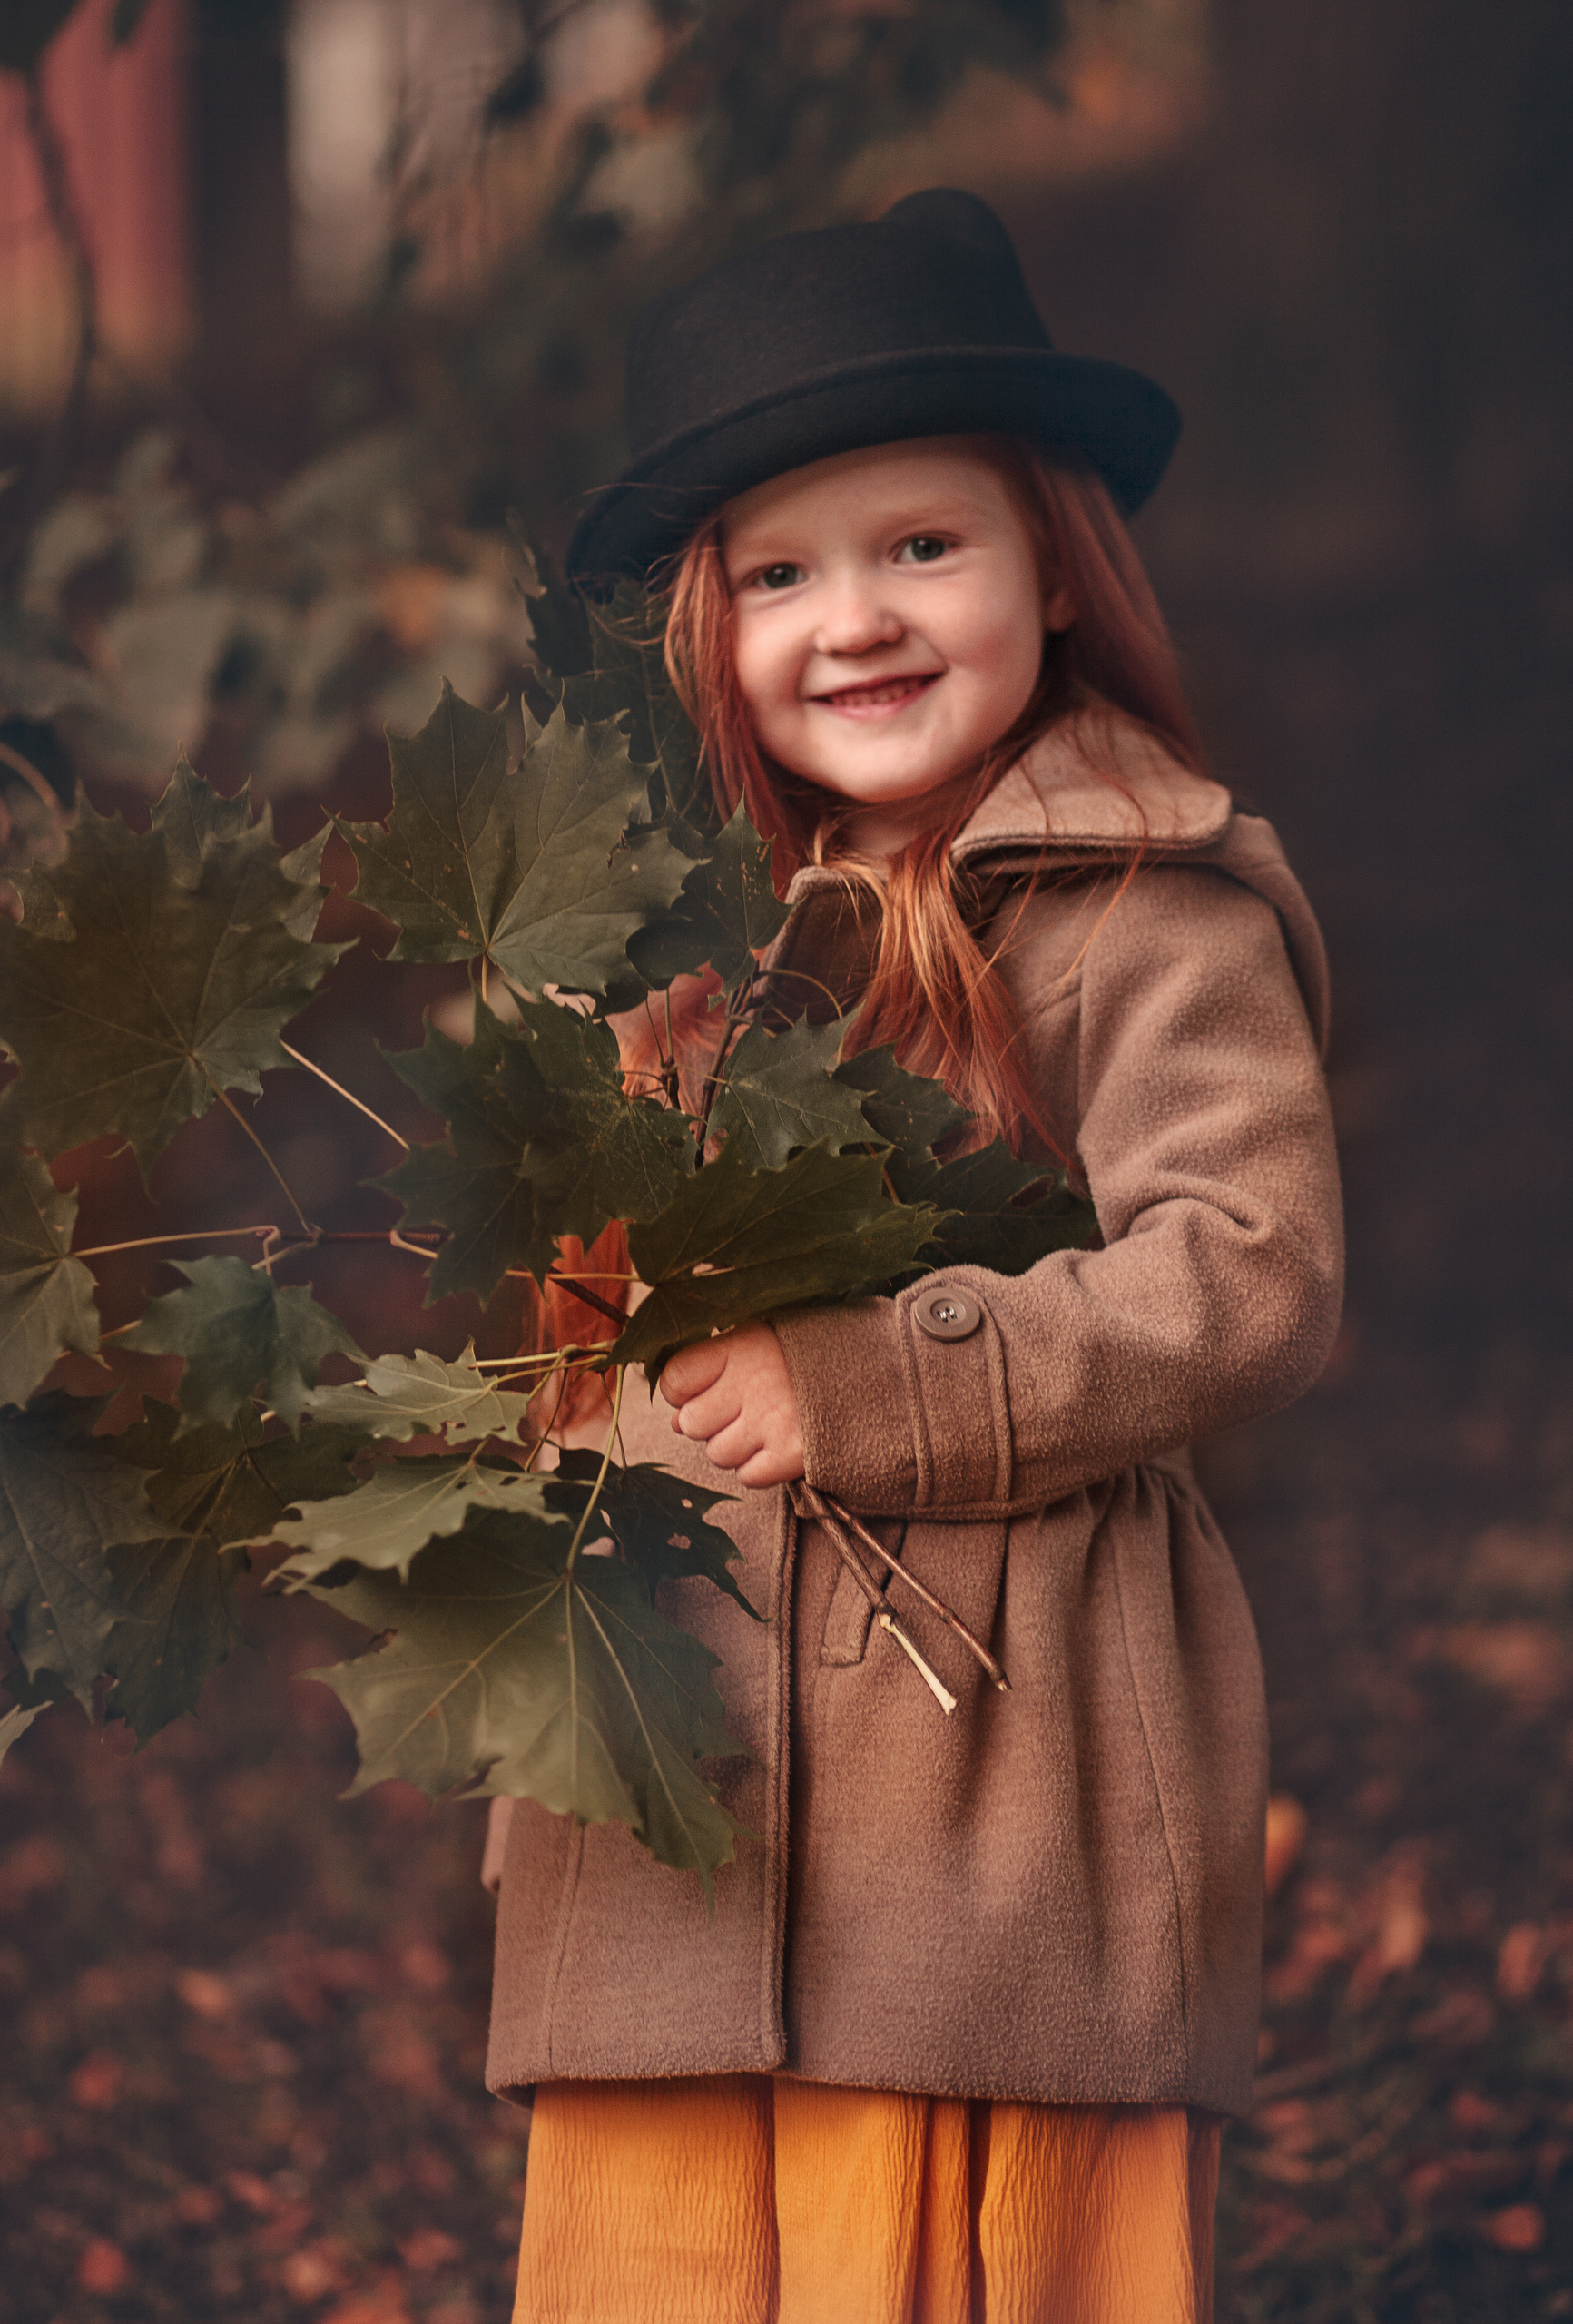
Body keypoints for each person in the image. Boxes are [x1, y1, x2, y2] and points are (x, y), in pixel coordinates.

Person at [481, 189, 1344, 2324]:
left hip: (998, 1809)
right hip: (680, 1820)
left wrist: (866, 1382)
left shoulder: (1157, 908)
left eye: (919, 546)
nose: (850, 617)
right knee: (666, 2267)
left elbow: (1249, 1267)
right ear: (711, 631)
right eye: (780, 571)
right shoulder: (694, 961)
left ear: (1056, 564)